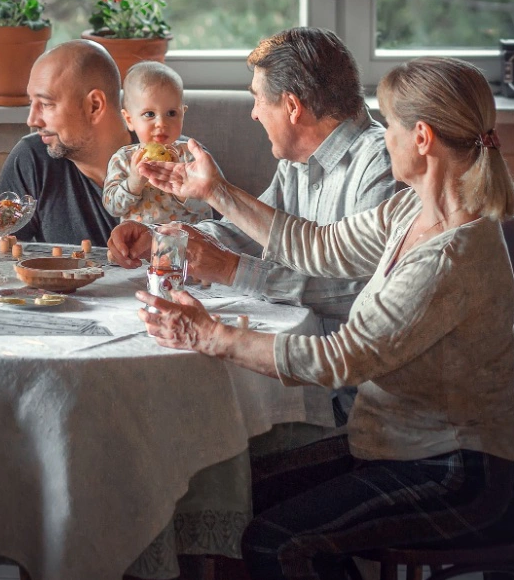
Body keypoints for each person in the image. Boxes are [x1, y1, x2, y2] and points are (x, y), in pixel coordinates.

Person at [132, 57, 514, 580]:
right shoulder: (411, 209)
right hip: (396, 447)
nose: (382, 136)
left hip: (463, 474)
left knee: (278, 543)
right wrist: (215, 191)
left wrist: (212, 335)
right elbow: (318, 245)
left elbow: (340, 359)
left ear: (421, 138)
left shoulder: (452, 255)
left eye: (390, 125)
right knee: (235, 495)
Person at [109, 27, 396, 424]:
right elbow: (247, 231)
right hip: (305, 374)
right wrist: (164, 239)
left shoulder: (382, 165)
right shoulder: (298, 160)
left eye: (257, 98)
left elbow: (364, 293)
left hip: (356, 403)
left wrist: (232, 270)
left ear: (292, 106)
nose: (254, 113)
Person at [0, 39, 133, 245]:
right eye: (32, 103)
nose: (32, 120)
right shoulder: (33, 158)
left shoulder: (173, 162)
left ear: (94, 106)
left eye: (46, 104)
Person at [102, 61, 212, 225]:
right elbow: (112, 207)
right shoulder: (123, 159)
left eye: (171, 113)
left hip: (187, 238)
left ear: (183, 114)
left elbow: (210, 207)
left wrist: (182, 186)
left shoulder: (192, 156)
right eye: (149, 114)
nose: (161, 123)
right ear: (129, 119)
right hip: (139, 239)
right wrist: (134, 182)